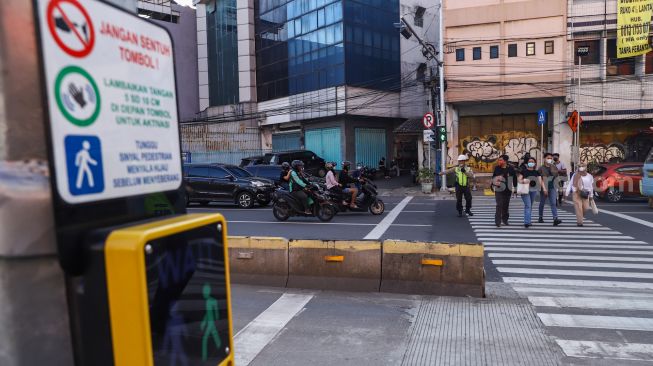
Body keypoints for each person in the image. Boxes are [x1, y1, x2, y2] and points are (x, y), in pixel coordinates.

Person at [518, 156, 544, 228]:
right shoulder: (524, 171)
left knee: (530, 205)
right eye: (529, 162)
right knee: (528, 205)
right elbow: (519, 179)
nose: (531, 163)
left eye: (532, 162)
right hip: (525, 190)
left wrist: (544, 189)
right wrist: (523, 180)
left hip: (534, 190)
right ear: (527, 163)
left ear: (535, 163)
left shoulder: (536, 172)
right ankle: (527, 222)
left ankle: (528, 220)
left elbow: (540, 180)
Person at [492, 155, 517, 227]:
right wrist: (495, 181)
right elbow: (493, 177)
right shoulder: (497, 168)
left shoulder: (511, 169)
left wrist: (515, 188)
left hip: (508, 189)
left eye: (500, 160)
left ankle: (505, 219)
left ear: (505, 161)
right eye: (499, 160)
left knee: (506, 205)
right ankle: (498, 221)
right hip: (499, 189)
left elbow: (514, 178)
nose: (499, 161)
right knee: (499, 204)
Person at [538, 153, 562, 226]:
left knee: (553, 203)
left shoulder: (554, 167)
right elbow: (540, 179)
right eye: (548, 158)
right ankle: (540, 217)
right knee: (542, 203)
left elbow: (557, 177)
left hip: (552, 187)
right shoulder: (541, 168)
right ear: (544, 158)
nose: (550, 159)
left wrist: (560, 187)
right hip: (544, 187)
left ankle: (555, 219)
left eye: (550, 158)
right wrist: (544, 189)